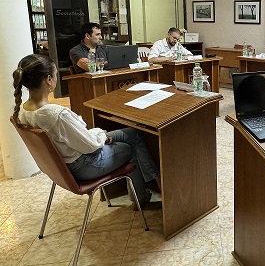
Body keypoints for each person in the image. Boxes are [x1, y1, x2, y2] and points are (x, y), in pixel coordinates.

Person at [12, 54, 160, 210]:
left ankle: (154, 181)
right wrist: (102, 134)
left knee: (132, 133)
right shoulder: (56, 115)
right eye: (56, 75)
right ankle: (142, 197)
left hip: (63, 167)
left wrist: (101, 135)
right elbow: (90, 145)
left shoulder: (23, 111)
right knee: (130, 148)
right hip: (85, 164)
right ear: (49, 79)